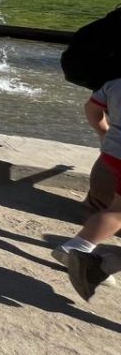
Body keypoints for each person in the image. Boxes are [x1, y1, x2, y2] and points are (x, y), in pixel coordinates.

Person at [54, 78, 121, 300]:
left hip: (113, 154)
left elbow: (92, 110)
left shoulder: (114, 83)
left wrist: (104, 131)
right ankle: (79, 249)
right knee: (118, 213)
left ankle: (93, 256)